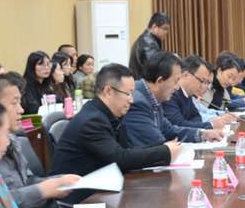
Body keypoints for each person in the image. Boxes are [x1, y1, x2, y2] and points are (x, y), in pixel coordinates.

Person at [0, 76, 79, 208]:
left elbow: (26, 180)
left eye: (20, 102)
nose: (21, 110)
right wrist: (42, 190)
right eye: (14, 103)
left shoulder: (11, 139)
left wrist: (58, 181)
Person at [50, 63, 178, 176]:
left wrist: (163, 148)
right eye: (128, 93)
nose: (131, 100)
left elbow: (125, 151)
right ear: (108, 91)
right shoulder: (92, 120)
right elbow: (120, 159)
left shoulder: (106, 114)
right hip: (76, 191)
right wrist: (165, 151)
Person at [125, 52, 222, 147]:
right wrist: (170, 148)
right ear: (160, 81)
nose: (177, 87)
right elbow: (156, 142)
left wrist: (203, 134)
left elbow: (169, 130)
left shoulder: (154, 97)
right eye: (175, 81)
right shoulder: (137, 101)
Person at [166, 56, 235, 132]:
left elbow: (196, 117)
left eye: (207, 83)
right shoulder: (171, 93)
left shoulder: (188, 94)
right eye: (202, 81)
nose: (206, 87)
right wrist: (210, 125)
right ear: (186, 75)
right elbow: (178, 124)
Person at [130, 11, 171, 80]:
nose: (167, 32)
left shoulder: (147, 39)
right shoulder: (148, 42)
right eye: (164, 28)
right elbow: (157, 65)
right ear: (154, 26)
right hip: (143, 83)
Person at [22, 50, 52, 114]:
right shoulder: (25, 85)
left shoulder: (46, 85)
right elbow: (33, 109)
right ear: (32, 67)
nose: (46, 67)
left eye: (48, 64)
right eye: (41, 64)